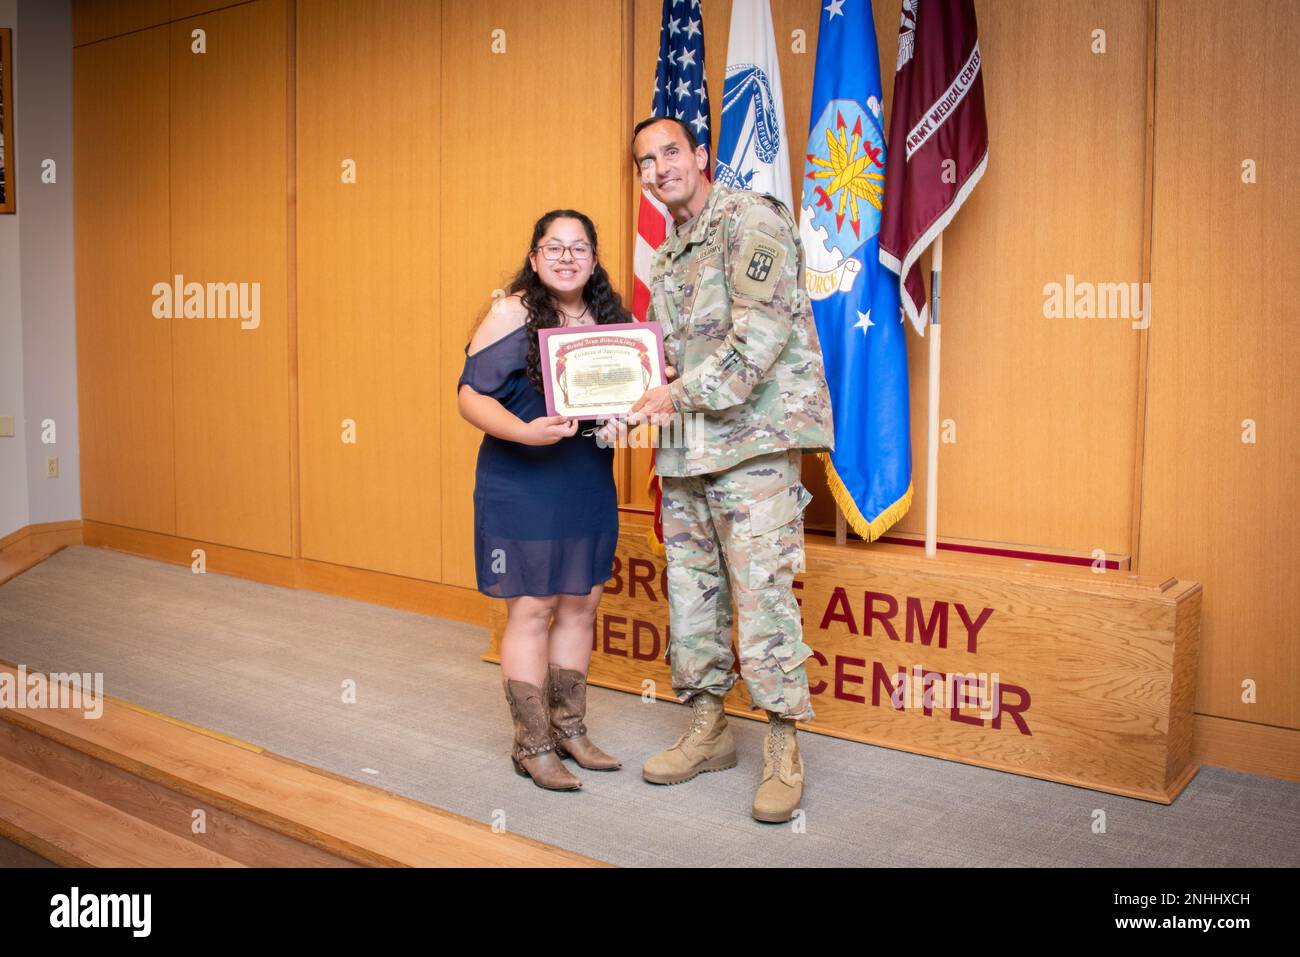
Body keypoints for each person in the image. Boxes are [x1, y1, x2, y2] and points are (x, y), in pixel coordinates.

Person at [626, 116, 835, 823]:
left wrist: (669, 394)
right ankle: (710, 725)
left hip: (753, 446)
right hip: (688, 448)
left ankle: (783, 743)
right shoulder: (666, 254)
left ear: (702, 155)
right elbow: (674, 359)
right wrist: (632, 392)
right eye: (645, 162)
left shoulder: (752, 220)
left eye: (670, 153)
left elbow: (756, 344)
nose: (659, 169)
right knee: (691, 592)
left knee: (762, 596)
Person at [457, 209, 631, 791]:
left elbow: (624, 398)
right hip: (521, 478)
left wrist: (624, 422)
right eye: (553, 247)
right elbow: (469, 398)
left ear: (593, 259)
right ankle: (531, 743)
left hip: (585, 478)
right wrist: (527, 432)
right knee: (531, 609)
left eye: (578, 247)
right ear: (534, 258)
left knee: (580, 605)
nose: (565, 257)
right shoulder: (510, 311)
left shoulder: (612, 319)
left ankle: (570, 730)